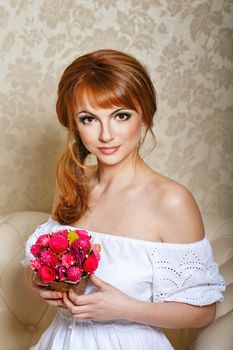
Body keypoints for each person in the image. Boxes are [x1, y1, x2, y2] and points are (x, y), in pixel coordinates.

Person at [24, 49, 225, 350]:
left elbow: (204, 312)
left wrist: (125, 309)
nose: (106, 135)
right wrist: (39, 283)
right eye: (89, 119)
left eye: (121, 115)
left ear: (144, 113)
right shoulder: (72, 184)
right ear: (74, 125)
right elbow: (41, 267)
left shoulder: (172, 201)